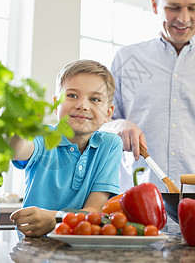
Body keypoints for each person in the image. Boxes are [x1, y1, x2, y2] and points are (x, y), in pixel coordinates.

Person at [102, 0, 195, 193]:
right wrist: (119, 125)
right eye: (173, 7)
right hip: (136, 203)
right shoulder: (128, 59)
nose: (184, 18)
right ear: (155, 5)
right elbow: (100, 124)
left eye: (193, 8)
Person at [10, 59, 123, 237]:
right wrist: (14, 128)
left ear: (108, 113)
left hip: (81, 245)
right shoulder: (44, 137)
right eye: (72, 95)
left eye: (95, 99)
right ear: (56, 105)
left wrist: (56, 219)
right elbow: (18, 149)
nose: (83, 105)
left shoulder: (110, 145)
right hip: (33, 246)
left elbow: (94, 210)